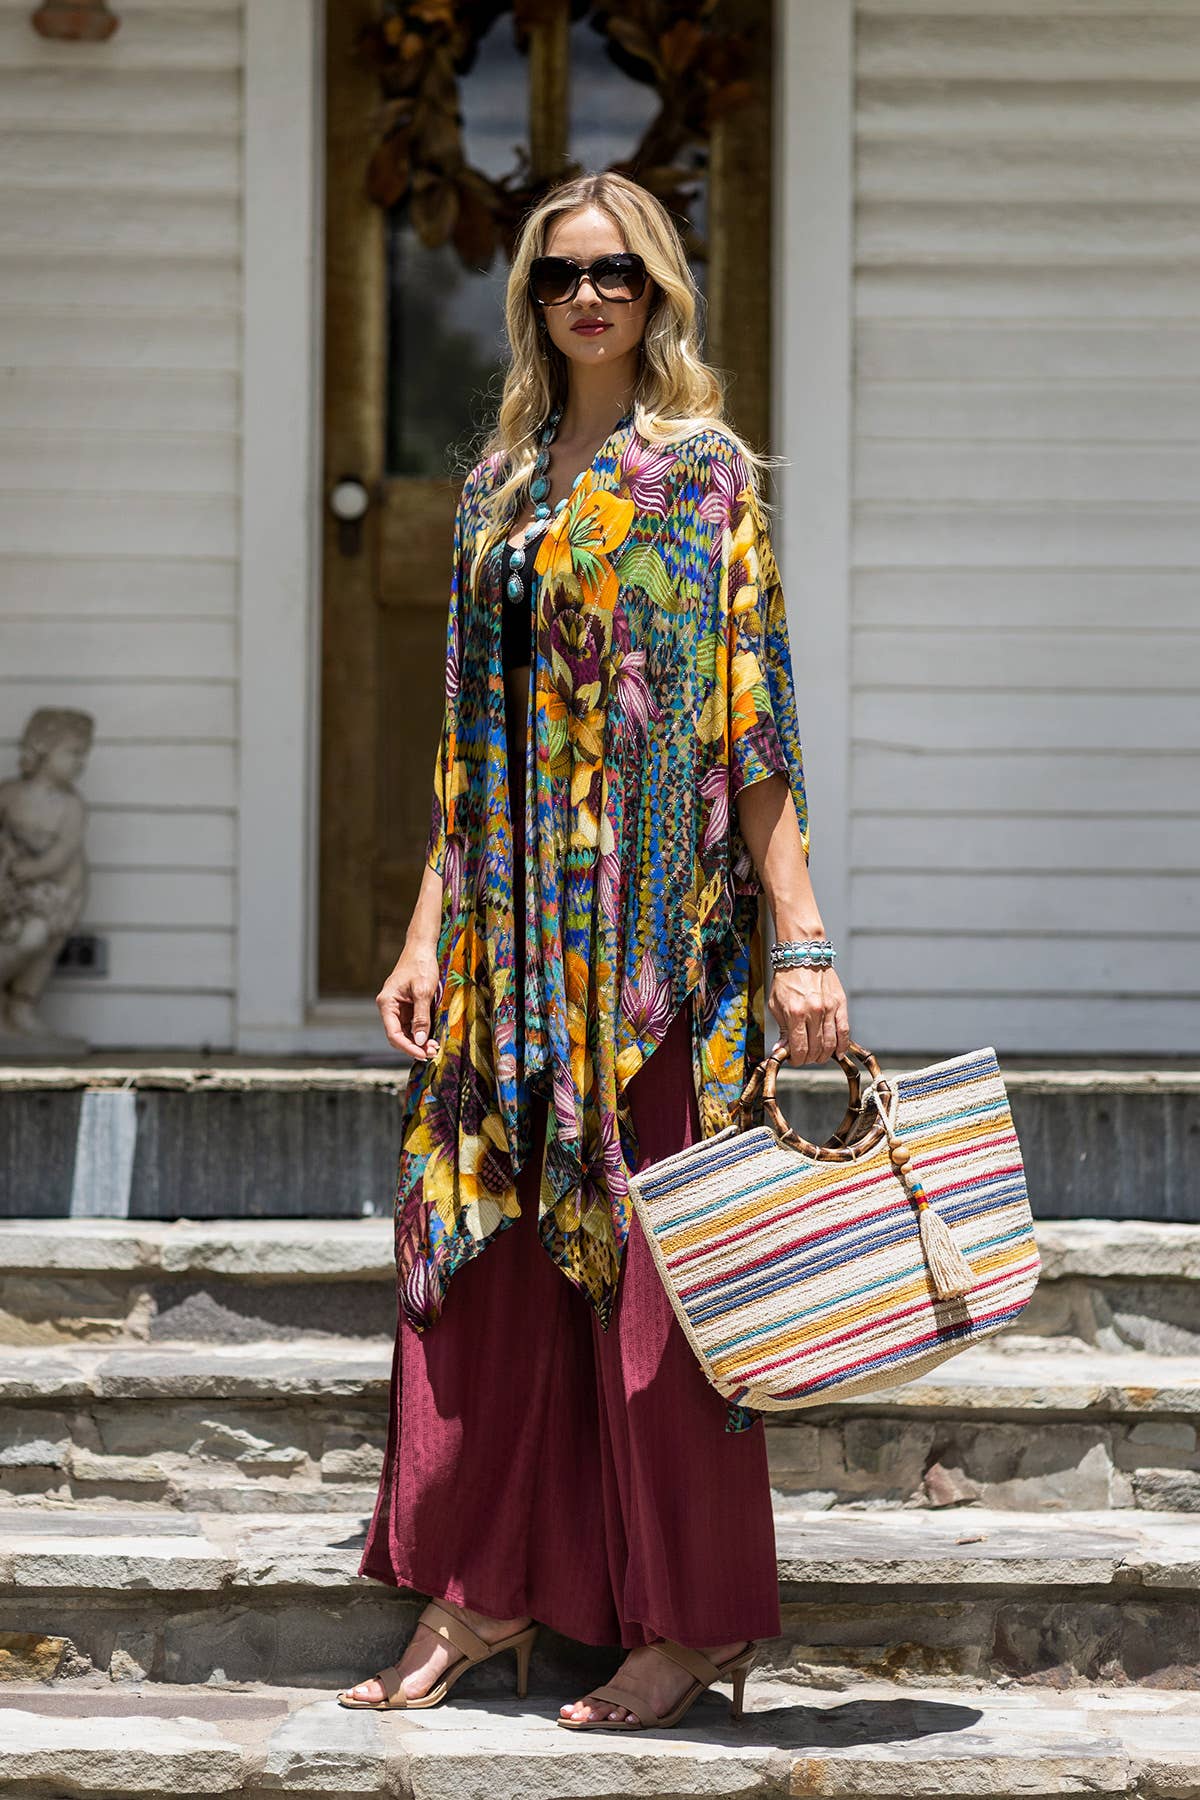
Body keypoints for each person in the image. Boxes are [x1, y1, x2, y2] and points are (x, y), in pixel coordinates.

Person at [338, 170, 851, 1732]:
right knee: (482, 1273)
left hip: (655, 950)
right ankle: (480, 1589)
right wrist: (426, 936)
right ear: (531, 300)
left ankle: (689, 1627)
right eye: (562, 274)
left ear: (659, 291)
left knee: (660, 1288)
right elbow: (468, 746)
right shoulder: (497, 488)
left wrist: (802, 940)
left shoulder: (701, 481)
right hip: (509, 949)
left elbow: (751, 727)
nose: (589, 295)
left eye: (618, 271)